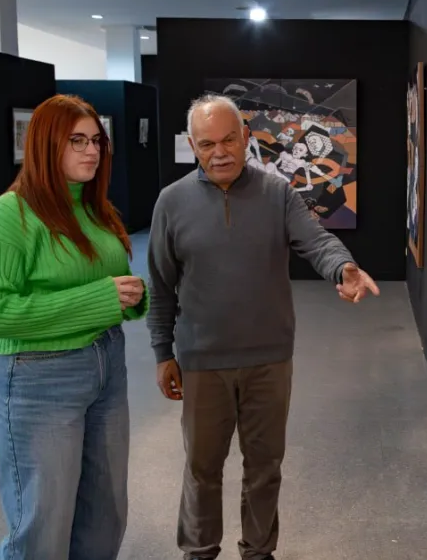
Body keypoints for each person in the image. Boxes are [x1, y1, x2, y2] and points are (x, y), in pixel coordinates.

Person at [147, 94, 379, 560]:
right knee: (201, 469)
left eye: (229, 139)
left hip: (269, 361)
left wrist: (343, 268)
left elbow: (317, 242)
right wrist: (162, 353)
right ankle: (199, 551)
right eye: (207, 144)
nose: (220, 152)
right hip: (202, 361)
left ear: (246, 137)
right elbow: (161, 285)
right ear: (192, 146)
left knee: (265, 468)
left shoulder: (278, 194)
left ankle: (258, 551)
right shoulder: (171, 202)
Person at [0, 94, 148, 560]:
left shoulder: (93, 209)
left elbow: (106, 282)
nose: (92, 151)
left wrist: (130, 297)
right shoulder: (8, 216)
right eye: (77, 141)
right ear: (46, 145)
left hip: (106, 366)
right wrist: (101, 299)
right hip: (38, 376)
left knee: (105, 514)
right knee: (43, 527)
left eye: (96, 141)